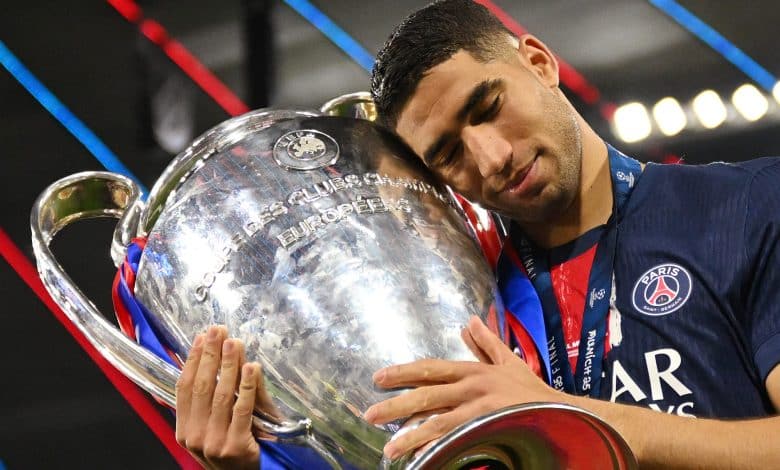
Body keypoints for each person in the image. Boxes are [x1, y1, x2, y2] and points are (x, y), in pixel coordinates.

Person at [175, 0, 780, 468]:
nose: (491, 159)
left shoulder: (748, 207)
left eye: (487, 107)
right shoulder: (456, 310)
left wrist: (562, 417)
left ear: (539, 63)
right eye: (447, 154)